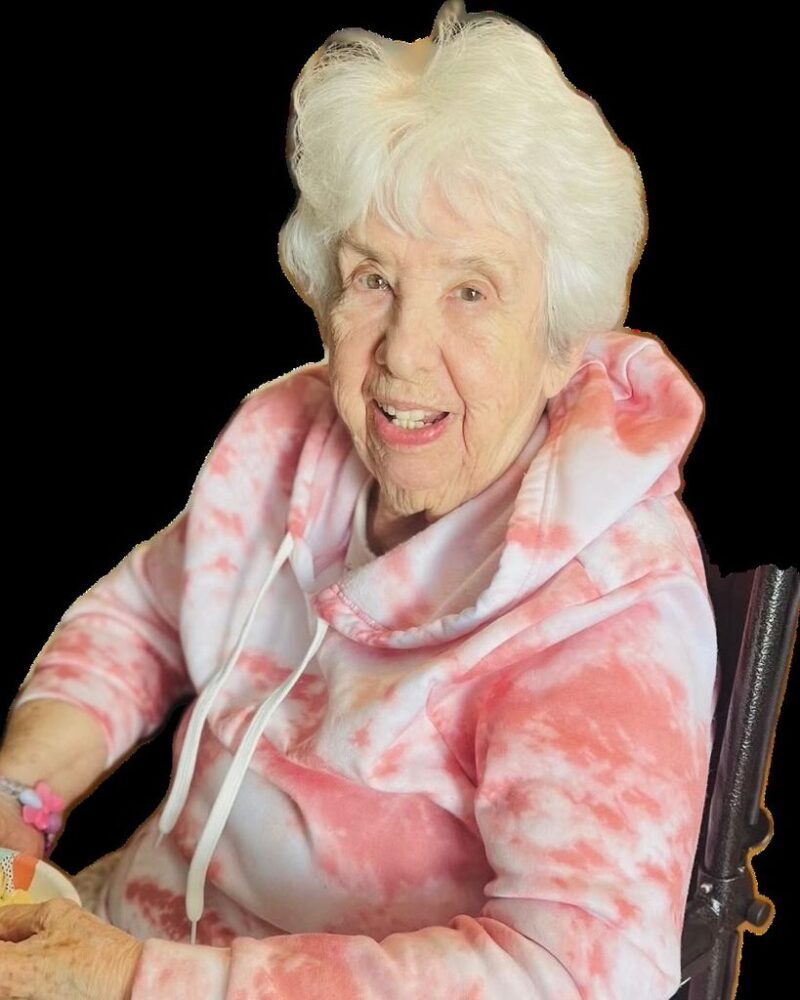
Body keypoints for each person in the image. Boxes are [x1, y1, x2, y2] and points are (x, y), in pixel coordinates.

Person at [0, 3, 719, 997]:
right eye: (372, 279)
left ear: (563, 339)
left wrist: (139, 981)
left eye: (471, 291)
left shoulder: (609, 604)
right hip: (114, 928)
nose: (403, 356)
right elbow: (146, 616)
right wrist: (20, 796)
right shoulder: (297, 439)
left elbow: (572, 972)